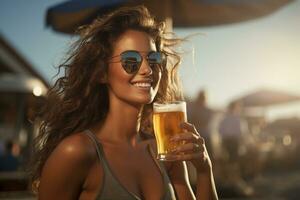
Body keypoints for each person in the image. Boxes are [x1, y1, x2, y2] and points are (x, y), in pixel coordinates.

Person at [30, 6, 218, 200]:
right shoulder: (76, 152)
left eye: (154, 59)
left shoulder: (164, 152)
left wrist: (204, 170)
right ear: (101, 73)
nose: (147, 69)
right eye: (130, 60)